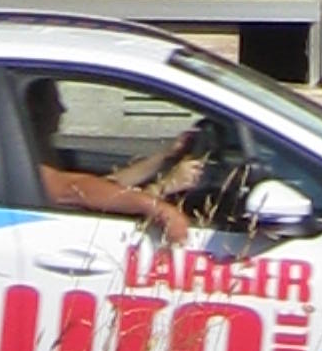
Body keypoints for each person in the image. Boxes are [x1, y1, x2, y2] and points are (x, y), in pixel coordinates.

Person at [21, 77, 194, 245]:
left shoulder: (27, 150)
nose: (62, 109)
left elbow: (104, 187)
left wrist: (165, 156)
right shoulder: (23, 161)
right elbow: (74, 189)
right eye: (53, 100)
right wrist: (160, 199)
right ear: (35, 109)